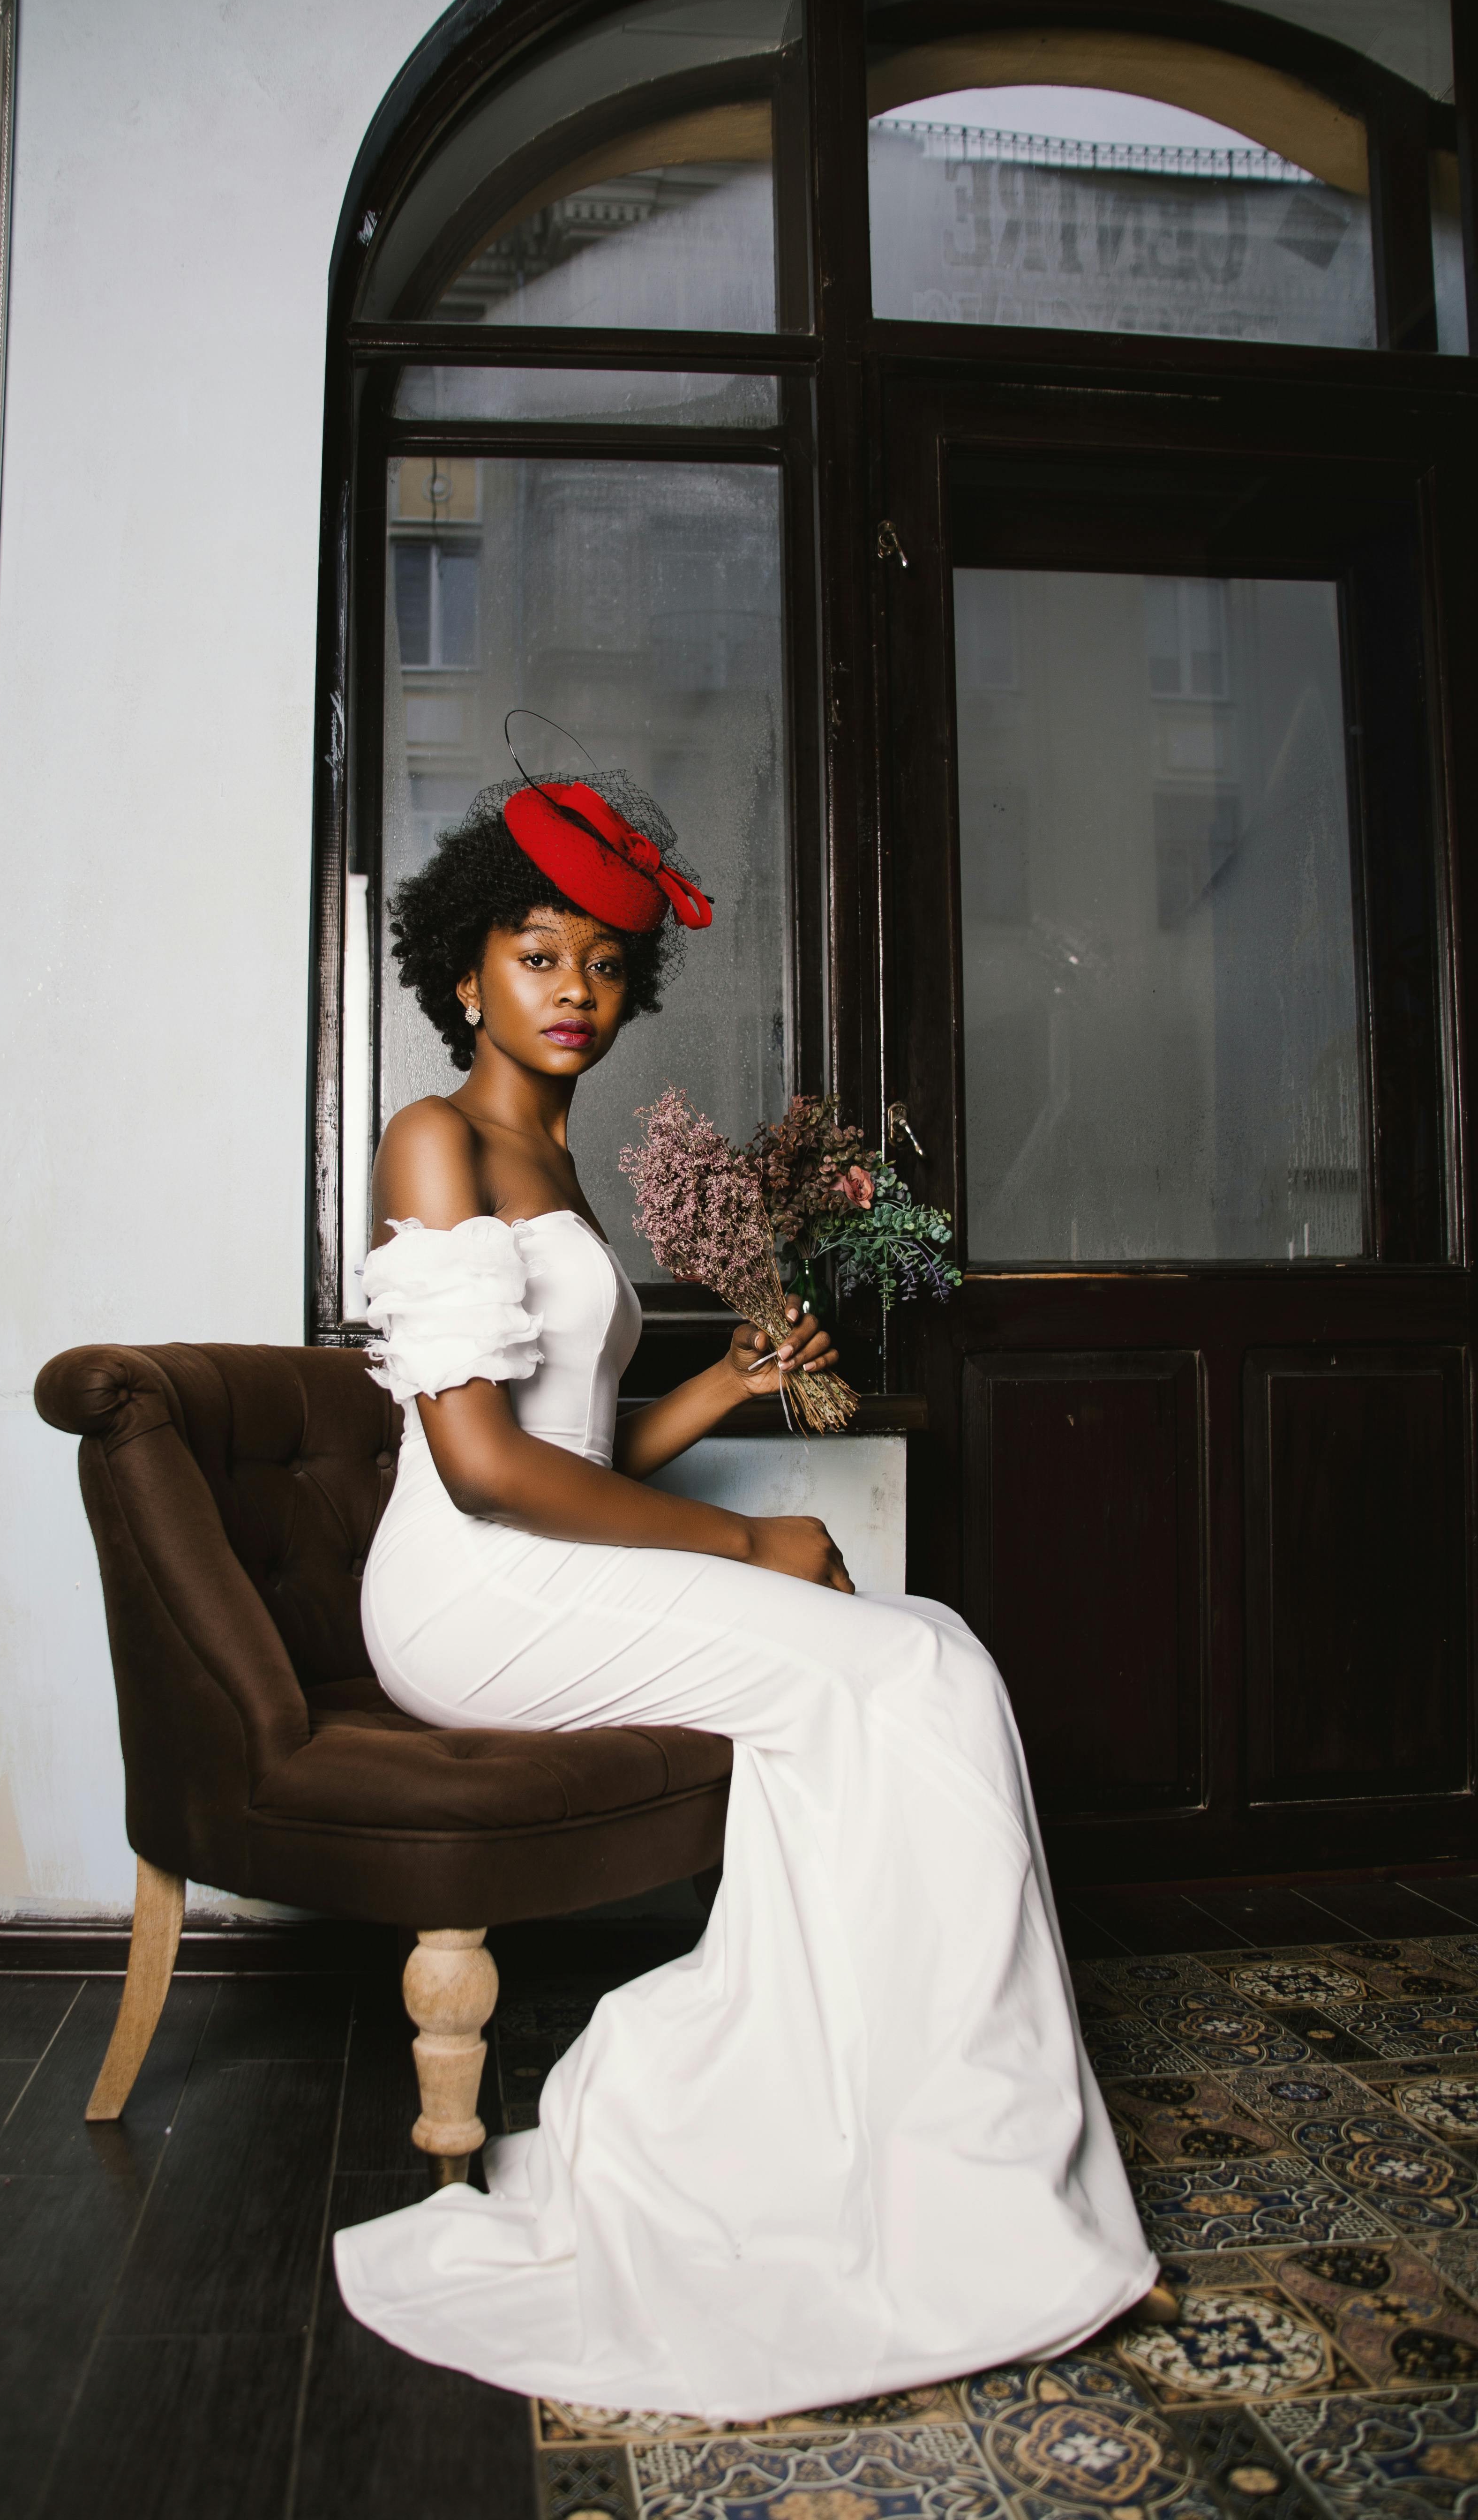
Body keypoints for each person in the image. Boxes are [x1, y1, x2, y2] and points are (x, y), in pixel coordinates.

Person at [332, 763, 1163, 2422]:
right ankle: (905, 2174)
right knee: (905, 1676)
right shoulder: (438, 1141)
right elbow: (486, 1465)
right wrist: (753, 1539)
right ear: (463, 971)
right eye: (537, 955)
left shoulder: (553, 1167)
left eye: (603, 965)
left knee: (923, 1648)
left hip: (544, 1561)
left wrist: (723, 1397)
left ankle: (857, 2135)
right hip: (464, 1590)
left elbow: (580, 1442)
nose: (574, 992)